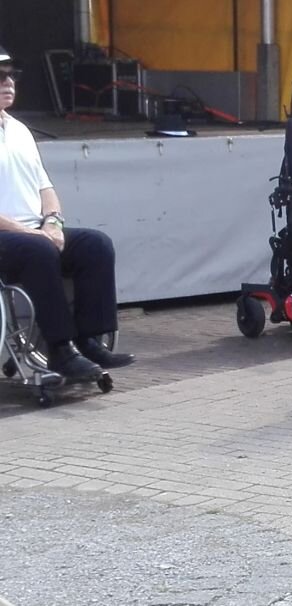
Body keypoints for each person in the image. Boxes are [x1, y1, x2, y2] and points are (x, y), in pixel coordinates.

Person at [0, 44, 135, 379]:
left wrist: (53, 223)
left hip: (34, 232)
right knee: (39, 248)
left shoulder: (19, 130)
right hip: (9, 236)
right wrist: (32, 233)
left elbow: (46, 189)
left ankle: (90, 339)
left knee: (95, 244)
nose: (8, 82)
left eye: (10, 76)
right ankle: (60, 350)